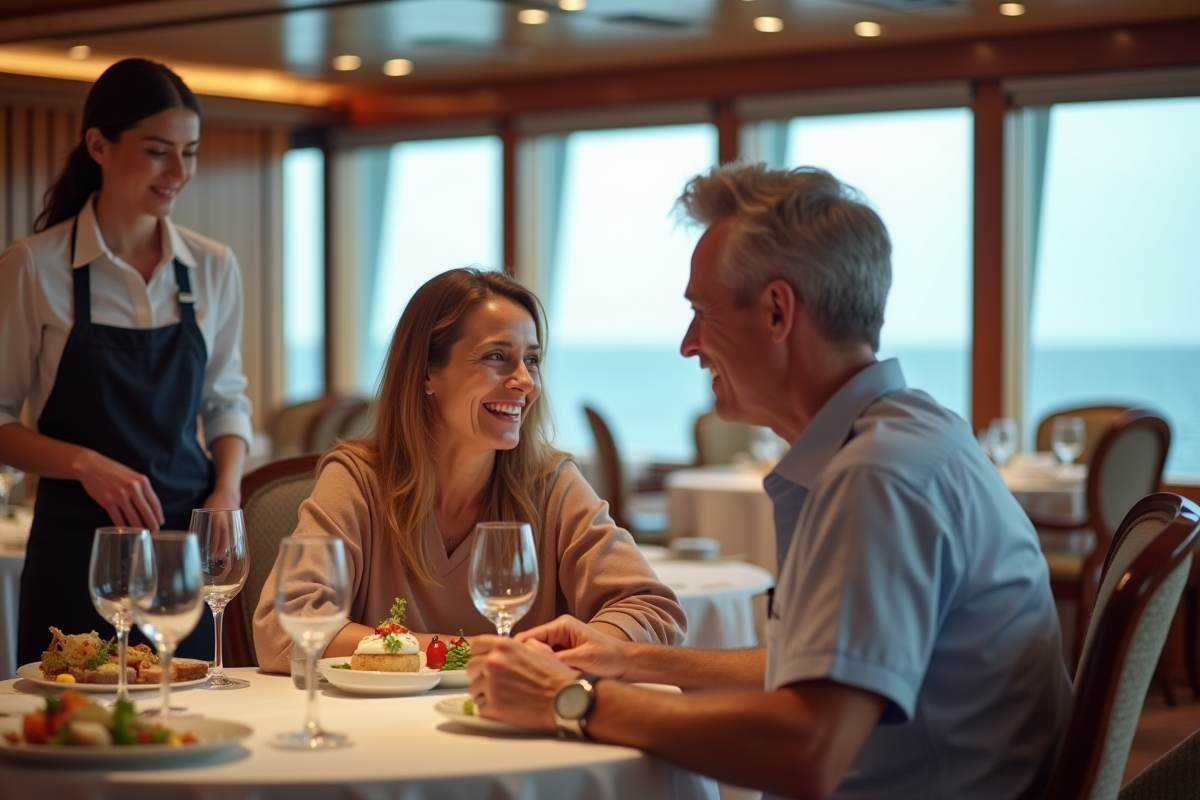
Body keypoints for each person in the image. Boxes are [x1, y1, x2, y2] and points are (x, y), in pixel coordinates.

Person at [464, 165, 1072, 799]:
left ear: (779, 311)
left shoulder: (876, 479)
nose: (688, 344)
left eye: (701, 312)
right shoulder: (915, 433)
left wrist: (573, 702)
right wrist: (626, 659)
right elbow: (819, 673)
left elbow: (810, 748)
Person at [252, 268, 685, 672]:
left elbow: (651, 609)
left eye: (531, 360)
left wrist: (563, 654)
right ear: (427, 374)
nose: (525, 382)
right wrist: (466, 653)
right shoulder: (359, 480)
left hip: (515, 730)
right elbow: (283, 630)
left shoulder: (551, 483)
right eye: (498, 356)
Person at [0, 59, 252, 664]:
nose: (179, 172)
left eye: (189, 153)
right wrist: (85, 464)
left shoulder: (212, 266)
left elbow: (225, 401)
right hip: (75, 553)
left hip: (178, 553)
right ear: (99, 146)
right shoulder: (34, 266)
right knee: (70, 728)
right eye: (159, 151)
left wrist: (226, 490)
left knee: (187, 719)